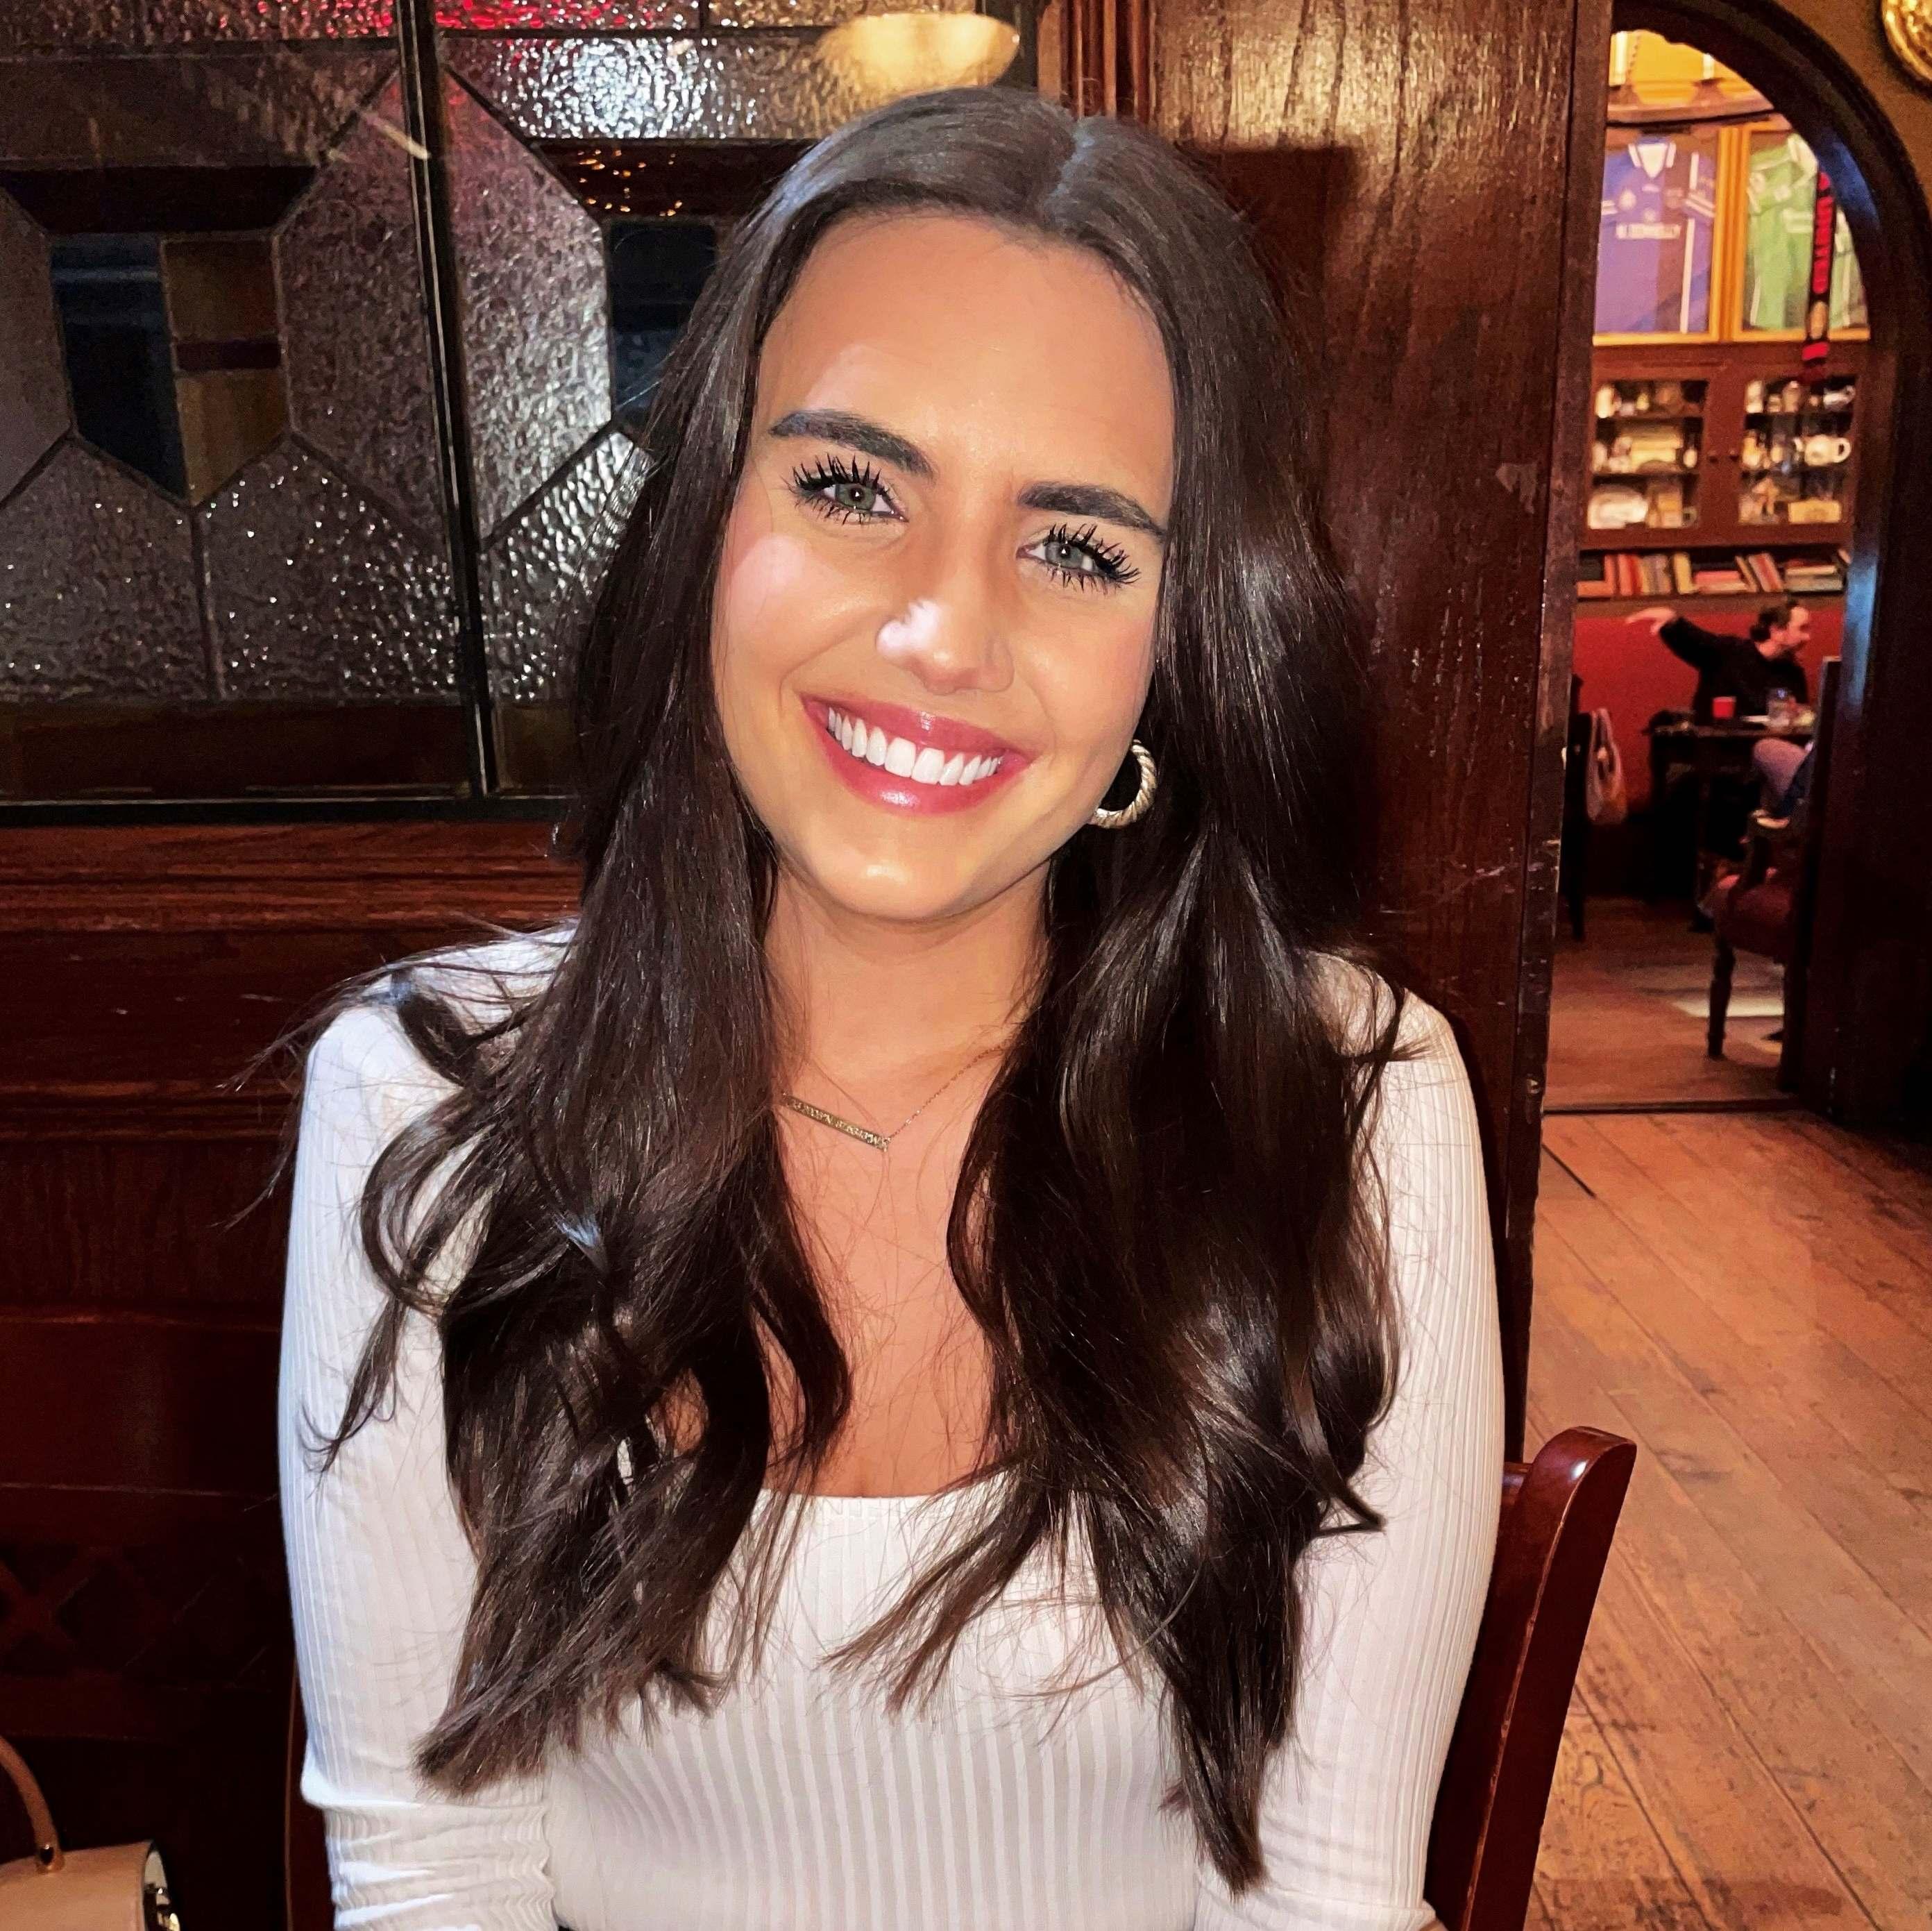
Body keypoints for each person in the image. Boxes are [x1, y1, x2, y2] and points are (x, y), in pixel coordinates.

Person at [278, 85, 1502, 1931]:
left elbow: (1322, 1900)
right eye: (851, 486)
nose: (945, 629)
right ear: (710, 525)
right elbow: (431, 1864)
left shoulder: (1349, 1099)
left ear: (1178, 650)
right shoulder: (426, 1102)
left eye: (1077, 545)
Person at [1627, 597, 1811, 721]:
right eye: (1802, 629)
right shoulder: (1729, 652)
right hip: (1719, 751)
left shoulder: (1792, 671)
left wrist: (1797, 714)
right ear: (1776, 630)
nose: (1808, 637)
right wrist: (1672, 621)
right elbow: (1694, 640)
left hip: (1768, 751)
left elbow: (1796, 717)